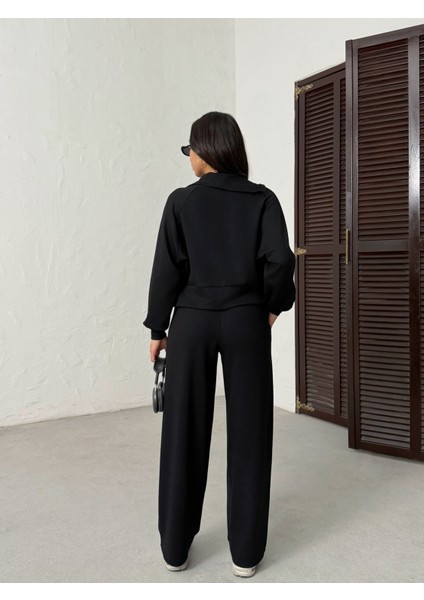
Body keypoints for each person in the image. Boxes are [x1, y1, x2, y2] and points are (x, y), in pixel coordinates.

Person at [143, 111, 296, 578]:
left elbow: (166, 269)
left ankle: (175, 548)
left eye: (189, 149)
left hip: (191, 321)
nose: (188, 158)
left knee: (183, 430)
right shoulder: (262, 199)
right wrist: (271, 309)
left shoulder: (181, 202)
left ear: (205, 150)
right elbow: (280, 261)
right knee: (251, 431)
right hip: (246, 319)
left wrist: (158, 329)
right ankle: (245, 554)